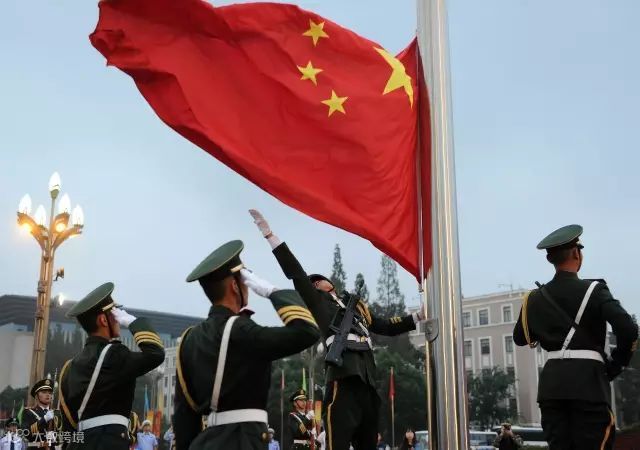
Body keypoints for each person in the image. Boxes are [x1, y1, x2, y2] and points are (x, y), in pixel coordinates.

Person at [250, 210, 427, 450]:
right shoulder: (319, 303)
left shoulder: (357, 307)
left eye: (318, 280)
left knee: (368, 442)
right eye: (313, 283)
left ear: (329, 283)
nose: (315, 283)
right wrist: (271, 237)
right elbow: (296, 273)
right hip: (343, 378)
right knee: (338, 442)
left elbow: (385, 326)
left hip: (367, 381)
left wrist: (417, 317)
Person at [173, 240, 321, 450]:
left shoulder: (189, 339)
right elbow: (307, 331)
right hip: (244, 440)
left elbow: (184, 419)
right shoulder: (241, 330)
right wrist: (273, 291)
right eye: (245, 279)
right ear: (235, 286)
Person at [513, 224, 638, 450]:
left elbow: (520, 338)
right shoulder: (594, 290)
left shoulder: (534, 298)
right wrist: (616, 365)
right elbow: (628, 329)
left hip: (552, 389)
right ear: (576, 254)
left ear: (549, 258)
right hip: (589, 384)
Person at [58, 282, 165, 450]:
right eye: (114, 314)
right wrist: (133, 322)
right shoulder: (115, 354)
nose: (118, 321)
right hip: (110, 442)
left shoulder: (69, 367)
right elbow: (155, 354)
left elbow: (69, 423)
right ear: (103, 320)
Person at [21, 378, 56, 447]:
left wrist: (55, 437)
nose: (48, 395)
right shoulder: (28, 412)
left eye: (50, 393)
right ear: (37, 396)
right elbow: (26, 433)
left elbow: (64, 434)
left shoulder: (56, 413)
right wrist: (44, 419)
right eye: (44, 392)